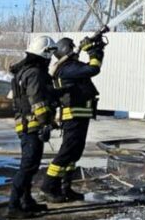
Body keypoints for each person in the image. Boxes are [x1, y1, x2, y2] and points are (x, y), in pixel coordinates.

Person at [41, 35, 103, 203]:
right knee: (67, 152)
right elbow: (93, 69)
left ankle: (65, 187)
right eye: (73, 46)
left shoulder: (70, 66)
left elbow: (91, 67)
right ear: (66, 50)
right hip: (74, 115)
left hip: (81, 114)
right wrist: (92, 51)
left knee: (74, 154)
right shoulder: (67, 68)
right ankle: (48, 185)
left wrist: (97, 49)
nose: (76, 48)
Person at [7, 35, 57, 219]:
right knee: (28, 166)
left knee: (30, 165)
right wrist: (45, 123)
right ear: (44, 53)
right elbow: (37, 101)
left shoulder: (23, 72)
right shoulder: (35, 73)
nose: (51, 58)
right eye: (50, 54)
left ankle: (26, 201)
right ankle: (13, 206)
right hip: (33, 125)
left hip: (26, 124)